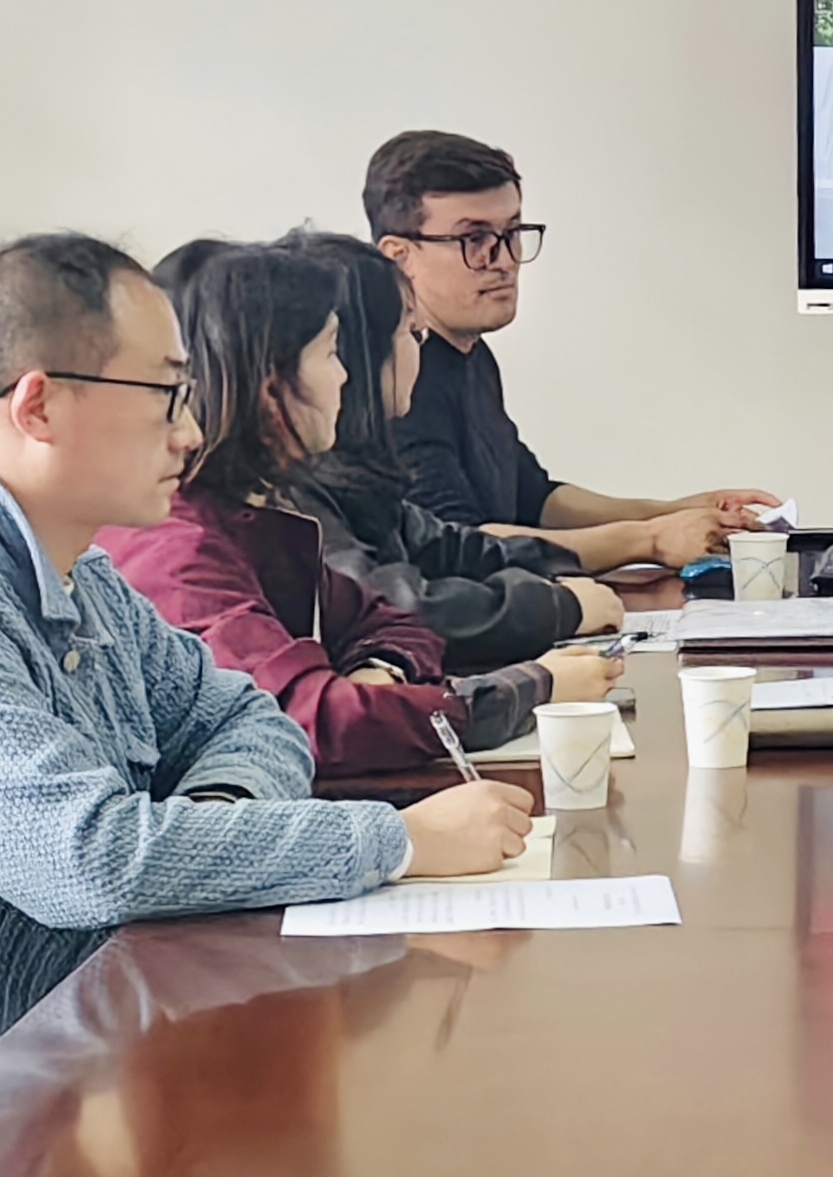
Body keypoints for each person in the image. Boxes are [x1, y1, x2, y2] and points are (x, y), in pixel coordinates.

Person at [0, 234, 530, 1175]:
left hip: (38, 1095)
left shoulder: (76, 574)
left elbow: (247, 719)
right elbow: (93, 861)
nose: (190, 432)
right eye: (166, 394)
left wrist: (213, 821)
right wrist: (398, 841)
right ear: (39, 405)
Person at [100, 244, 623, 779]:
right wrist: (534, 688)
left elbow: (390, 620)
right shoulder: (181, 550)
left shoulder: (254, 518)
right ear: (273, 385)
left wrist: (378, 670)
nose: (346, 377)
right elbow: (316, 725)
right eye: (330, 353)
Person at [363, 129, 780, 570]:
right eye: (474, 239)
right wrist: (651, 539)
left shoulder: (469, 353)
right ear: (398, 256)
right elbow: (460, 546)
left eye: (512, 232)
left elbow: (536, 500)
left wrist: (675, 512)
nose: (505, 260)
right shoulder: (394, 383)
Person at [276, 228, 624, 670]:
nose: (421, 343)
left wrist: (562, 574)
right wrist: (559, 608)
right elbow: (393, 611)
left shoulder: (357, 474)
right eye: (411, 331)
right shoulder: (295, 492)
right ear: (361, 354)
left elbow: (454, 548)